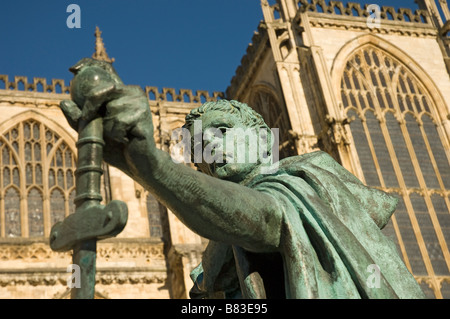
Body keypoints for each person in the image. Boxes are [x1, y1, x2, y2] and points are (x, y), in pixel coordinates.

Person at [60, 58, 425, 299]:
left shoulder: (305, 180)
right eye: (200, 146)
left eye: (222, 130)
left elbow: (263, 218)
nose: (212, 147)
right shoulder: (212, 259)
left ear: (265, 140)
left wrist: (149, 164)